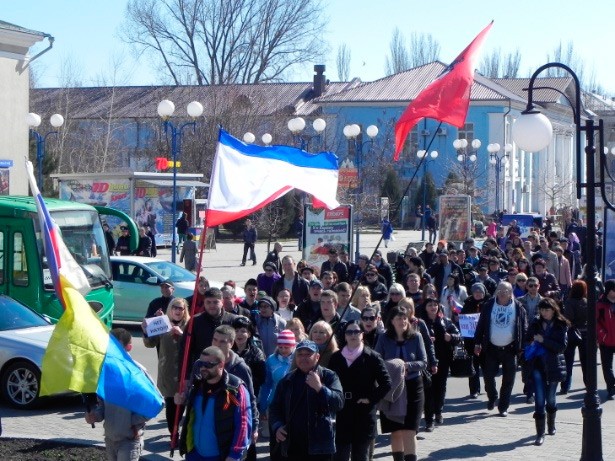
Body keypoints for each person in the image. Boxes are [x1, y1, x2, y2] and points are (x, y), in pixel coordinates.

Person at [268, 339, 343, 461]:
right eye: (300, 354)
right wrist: (277, 426)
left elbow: (338, 403)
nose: (303, 358)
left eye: (308, 354)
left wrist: (320, 388)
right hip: (292, 445)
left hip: (320, 446)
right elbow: (275, 407)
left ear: (317, 357)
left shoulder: (329, 376)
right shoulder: (287, 380)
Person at [328, 321, 392, 461]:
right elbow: (329, 383)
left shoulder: (372, 357)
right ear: (344, 336)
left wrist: (370, 398)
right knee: (340, 456)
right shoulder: (336, 358)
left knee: (361, 456)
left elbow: (386, 383)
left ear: (362, 334)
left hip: (363, 412)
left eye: (356, 332)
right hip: (342, 412)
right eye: (349, 332)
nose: (352, 335)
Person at [85, 328, 151, 461]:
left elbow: (153, 405)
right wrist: (95, 416)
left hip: (129, 441)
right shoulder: (107, 373)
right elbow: (102, 406)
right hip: (110, 439)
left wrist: (129, 422)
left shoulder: (138, 374)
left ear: (128, 347)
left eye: (117, 347)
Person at [176, 346, 252, 461]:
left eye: (208, 365)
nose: (203, 368)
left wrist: (234, 455)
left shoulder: (235, 389)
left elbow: (243, 425)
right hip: (194, 454)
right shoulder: (197, 386)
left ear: (221, 365)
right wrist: (182, 399)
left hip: (219, 456)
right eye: (200, 364)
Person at [375, 305, 427, 461]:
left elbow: (424, 362)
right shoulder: (383, 338)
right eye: (399, 318)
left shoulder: (416, 337)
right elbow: (377, 360)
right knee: (396, 430)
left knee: (409, 430)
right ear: (391, 321)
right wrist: (394, 366)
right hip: (392, 388)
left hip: (413, 386)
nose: (402, 321)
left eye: (405, 318)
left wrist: (407, 366)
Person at [474, 281, 528, 417]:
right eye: (500, 290)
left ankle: (503, 406)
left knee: (508, 379)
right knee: (488, 376)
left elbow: (524, 327)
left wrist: (523, 346)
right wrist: (477, 342)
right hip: (492, 347)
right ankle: (492, 396)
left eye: (506, 290)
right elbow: (481, 325)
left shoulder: (518, 307)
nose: (502, 293)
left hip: (510, 348)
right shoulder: (489, 305)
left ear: (511, 293)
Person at [524, 297, 568, 446]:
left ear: (553, 309)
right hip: (537, 365)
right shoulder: (536, 322)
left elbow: (561, 347)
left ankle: (551, 425)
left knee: (551, 399)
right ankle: (540, 433)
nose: (544, 313)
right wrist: (530, 342)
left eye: (547, 310)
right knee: (539, 399)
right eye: (541, 310)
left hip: (553, 365)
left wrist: (543, 341)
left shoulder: (560, 324)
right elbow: (527, 337)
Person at [142, 297, 189, 434]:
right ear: (170, 309)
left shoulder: (189, 326)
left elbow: (194, 346)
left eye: (180, 308)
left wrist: (182, 335)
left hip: (183, 372)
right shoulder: (162, 323)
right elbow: (150, 344)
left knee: (180, 405)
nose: (177, 310)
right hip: (167, 372)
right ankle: (173, 433)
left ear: (185, 310)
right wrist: (146, 330)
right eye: (175, 307)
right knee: (170, 405)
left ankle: (177, 427)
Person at [418, 298, 460, 431]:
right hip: (427, 361)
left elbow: (458, 336)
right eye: (430, 305)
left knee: (440, 387)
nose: (433, 307)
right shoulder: (421, 323)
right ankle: (429, 420)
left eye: (435, 305)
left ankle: (438, 412)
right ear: (425, 308)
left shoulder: (446, 321)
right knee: (428, 389)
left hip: (443, 360)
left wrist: (451, 337)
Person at [178, 288, 237, 379]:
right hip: (202, 372)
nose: (211, 305)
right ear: (204, 303)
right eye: (208, 302)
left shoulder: (233, 320)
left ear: (222, 302)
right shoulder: (195, 321)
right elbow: (185, 351)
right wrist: (184, 378)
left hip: (228, 372)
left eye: (215, 302)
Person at [258, 329, 296, 460]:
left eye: (287, 347)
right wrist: (263, 406)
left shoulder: (299, 359)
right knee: (276, 441)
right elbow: (267, 384)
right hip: (275, 404)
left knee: (293, 441)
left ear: (293, 346)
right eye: (281, 347)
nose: (284, 350)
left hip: (294, 404)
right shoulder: (271, 360)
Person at [562, 280, 588, 393]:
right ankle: (588, 383)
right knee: (586, 361)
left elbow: (569, 317)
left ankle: (566, 385)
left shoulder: (569, 301)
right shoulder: (586, 301)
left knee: (568, 361)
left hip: (572, 332)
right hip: (585, 333)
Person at [461, 283, 487, 398]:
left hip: (485, 340)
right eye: (476, 292)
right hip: (470, 340)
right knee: (473, 366)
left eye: (480, 292)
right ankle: (474, 390)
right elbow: (463, 318)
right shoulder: (467, 303)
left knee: (487, 366)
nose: (478, 294)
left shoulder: (488, 303)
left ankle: (489, 388)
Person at [597, 279, 615, 399]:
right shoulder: (600, 304)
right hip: (606, 341)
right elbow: (596, 323)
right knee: (607, 366)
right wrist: (603, 335)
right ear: (608, 291)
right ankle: (611, 388)